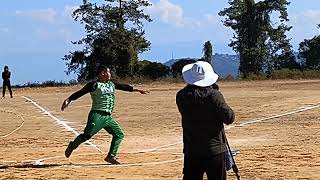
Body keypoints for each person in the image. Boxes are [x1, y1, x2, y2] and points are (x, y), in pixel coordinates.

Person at [61, 65, 149, 164]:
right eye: (108, 72)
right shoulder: (94, 85)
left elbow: (124, 87)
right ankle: (72, 146)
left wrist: (138, 90)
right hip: (97, 115)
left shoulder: (111, 84)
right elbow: (80, 93)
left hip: (108, 117)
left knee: (119, 134)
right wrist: (68, 100)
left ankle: (111, 156)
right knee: (87, 136)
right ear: (102, 73)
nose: (110, 74)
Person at [176, 61, 235, 180]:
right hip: (214, 150)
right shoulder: (213, 95)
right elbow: (229, 118)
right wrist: (216, 94)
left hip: (191, 150)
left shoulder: (181, 96)